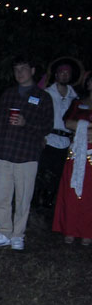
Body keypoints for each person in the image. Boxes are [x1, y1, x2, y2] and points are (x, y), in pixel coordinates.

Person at [0, 55, 54, 250]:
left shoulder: (43, 97)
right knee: (1, 196)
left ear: (32, 71)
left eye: (23, 68)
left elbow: (47, 126)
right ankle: (3, 232)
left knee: (23, 198)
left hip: (27, 154)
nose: (19, 73)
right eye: (16, 69)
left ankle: (18, 235)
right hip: (4, 151)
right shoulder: (8, 94)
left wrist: (26, 123)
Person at [35, 57, 81, 208]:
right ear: (56, 74)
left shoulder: (75, 97)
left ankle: (51, 204)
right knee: (42, 173)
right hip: (48, 139)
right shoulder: (46, 93)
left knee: (60, 175)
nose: (64, 75)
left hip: (66, 142)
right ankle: (37, 204)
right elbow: (36, 113)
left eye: (67, 73)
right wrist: (40, 136)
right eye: (62, 72)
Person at [52, 72, 92, 245]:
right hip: (76, 151)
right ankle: (70, 229)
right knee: (72, 192)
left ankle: (87, 232)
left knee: (89, 193)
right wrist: (87, 128)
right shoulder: (78, 103)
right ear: (88, 84)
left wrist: (82, 128)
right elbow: (68, 122)